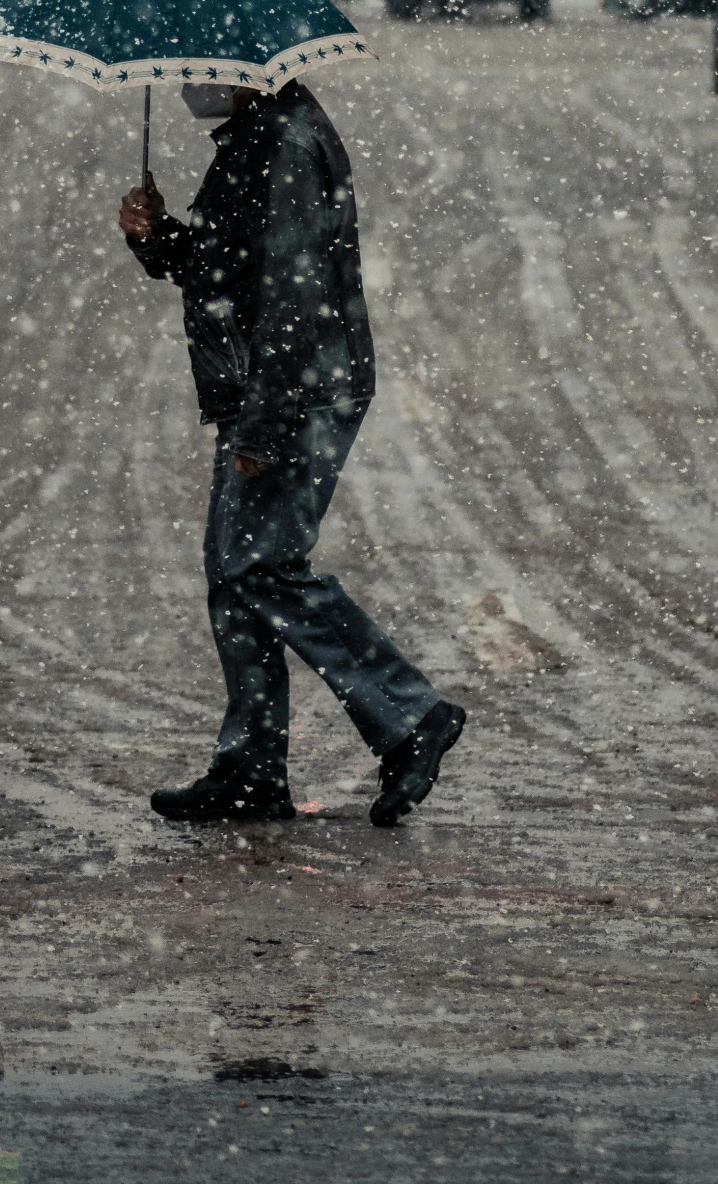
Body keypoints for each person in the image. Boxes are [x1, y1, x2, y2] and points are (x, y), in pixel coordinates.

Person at [119, 76, 464, 827]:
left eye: (201, 72)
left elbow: (292, 298)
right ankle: (248, 769)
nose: (188, 86)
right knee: (233, 574)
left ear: (247, 75)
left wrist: (265, 427)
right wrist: (156, 239)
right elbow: (223, 272)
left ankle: (410, 717)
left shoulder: (283, 147)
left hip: (296, 390)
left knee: (261, 567)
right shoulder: (253, 140)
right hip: (271, 386)